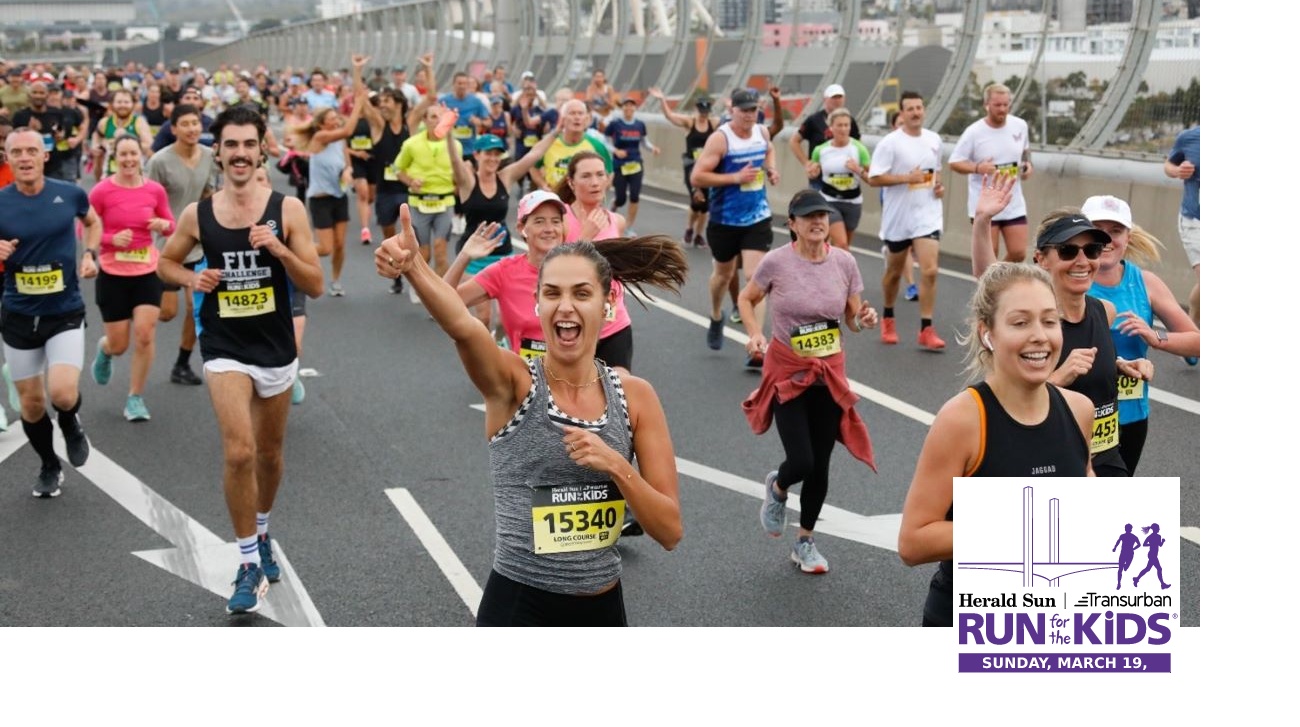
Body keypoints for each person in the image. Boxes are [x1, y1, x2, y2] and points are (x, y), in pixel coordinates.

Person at [375, 204, 686, 626]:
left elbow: (669, 531)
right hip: (520, 608)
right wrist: (415, 267)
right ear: (537, 304)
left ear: (607, 303)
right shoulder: (514, 383)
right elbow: (463, 326)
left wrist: (616, 464)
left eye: (581, 293)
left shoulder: (636, 397)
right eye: (552, 293)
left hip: (603, 609)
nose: (565, 307)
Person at [156, 105, 325, 615]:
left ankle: (264, 528)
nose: (240, 154)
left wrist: (279, 250)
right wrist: (192, 279)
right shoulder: (199, 214)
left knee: (270, 455)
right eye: (230, 145)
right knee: (238, 452)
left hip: (275, 348)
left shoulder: (287, 210)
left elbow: (313, 284)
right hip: (225, 347)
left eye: (248, 145)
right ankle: (248, 560)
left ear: (261, 150)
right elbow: (165, 262)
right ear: (219, 152)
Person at [898, 262, 1095, 627]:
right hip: (969, 622)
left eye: (1050, 321)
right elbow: (914, 541)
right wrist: (1022, 529)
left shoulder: (1079, 409)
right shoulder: (963, 420)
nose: (1039, 336)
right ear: (987, 333)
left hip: (1053, 622)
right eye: (1020, 323)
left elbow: (1083, 500)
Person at [739, 190, 879, 573]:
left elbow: (852, 316)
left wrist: (863, 320)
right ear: (793, 224)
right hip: (788, 371)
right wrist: (754, 333)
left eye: (823, 215)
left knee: (821, 466)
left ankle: (804, 541)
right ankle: (778, 487)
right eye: (809, 216)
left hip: (828, 372)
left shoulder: (845, 263)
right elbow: (746, 298)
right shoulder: (776, 263)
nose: (818, 222)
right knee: (801, 459)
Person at [0, 128, 103, 497]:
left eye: (32, 150)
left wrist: (90, 254)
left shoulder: (70, 193)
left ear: (45, 155)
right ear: (7, 158)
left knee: (61, 393)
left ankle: (71, 422)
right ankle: (48, 464)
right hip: (18, 314)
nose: (25, 158)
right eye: (17, 152)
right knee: (30, 403)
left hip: (64, 311)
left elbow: (92, 222)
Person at [1032, 209, 1154, 477]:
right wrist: (1058, 378)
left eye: (1092, 250)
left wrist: (1118, 365)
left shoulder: (1105, 311)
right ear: (1041, 259)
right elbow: (1005, 401)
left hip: (1107, 458)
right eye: (1067, 251)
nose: (1082, 261)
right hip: (1052, 463)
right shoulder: (1032, 324)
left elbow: (1092, 360)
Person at [1083, 195, 1200, 475]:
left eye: (1115, 231)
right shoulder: (1069, 277)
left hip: (1130, 416)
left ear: (1128, 236)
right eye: (1098, 231)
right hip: (1079, 414)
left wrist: (1154, 336)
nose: (1107, 239)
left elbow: (1198, 342)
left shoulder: (1145, 283)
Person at [690, 88, 779, 368]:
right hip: (724, 220)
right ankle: (717, 315)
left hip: (757, 217)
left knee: (756, 277)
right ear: (733, 110)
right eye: (744, 111)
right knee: (723, 276)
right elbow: (698, 176)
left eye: (753, 110)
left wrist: (771, 168)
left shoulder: (761, 133)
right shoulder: (721, 139)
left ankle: (757, 342)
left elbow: (770, 149)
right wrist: (735, 177)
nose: (749, 116)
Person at [87, 135, 174, 421]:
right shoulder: (101, 191)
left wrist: (164, 225)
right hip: (112, 274)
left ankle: (135, 397)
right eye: (122, 154)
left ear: (141, 156)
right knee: (120, 344)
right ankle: (105, 350)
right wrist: (111, 239)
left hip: (147, 271)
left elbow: (171, 224)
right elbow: (85, 230)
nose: (128, 159)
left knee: (145, 334)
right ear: (114, 157)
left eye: (133, 154)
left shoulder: (155, 190)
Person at [445, 129, 557, 327]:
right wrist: (447, 134)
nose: (493, 158)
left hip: (502, 255)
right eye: (488, 153)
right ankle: (484, 354)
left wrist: (557, 130)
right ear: (477, 155)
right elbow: (455, 162)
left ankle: (502, 349)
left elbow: (534, 155)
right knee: (484, 316)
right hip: (474, 257)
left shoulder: (505, 177)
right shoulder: (469, 181)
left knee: (505, 317)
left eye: (497, 154)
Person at [867, 91, 947, 351]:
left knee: (930, 270)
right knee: (893, 273)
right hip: (898, 218)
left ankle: (926, 328)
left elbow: (936, 174)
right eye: (910, 109)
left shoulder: (934, 140)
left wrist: (938, 188)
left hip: (927, 214)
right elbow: (874, 178)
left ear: (924, 110)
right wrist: (905, 178)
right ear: (902, 114)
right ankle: (888, 317)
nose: (916, 112)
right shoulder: (890, 143)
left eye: (919, 107)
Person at [145, 103, 218, 387]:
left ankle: (182, 364)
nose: (192, 128)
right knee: (166, 313)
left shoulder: (211, 156)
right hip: (166, 246)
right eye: (185, 124)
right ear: (173, 129)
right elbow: (145, 199)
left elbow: (214, 189)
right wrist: (156, 222)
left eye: (196, 123)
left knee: (194, 307)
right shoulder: (160, 161)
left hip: (197, 243)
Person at [293, 55, 369, 296]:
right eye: (332, 120)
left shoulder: (339, 139)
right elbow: (348, 128)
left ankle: (335, 282)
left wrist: (348, 171)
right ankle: (292, 254)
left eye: (337, 118)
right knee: (324, 248)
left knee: (339, 245)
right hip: (320, 198)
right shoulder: (320, 138)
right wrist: (359, 103)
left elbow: (345, 158)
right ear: (322, 124)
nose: (337, 122)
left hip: (339, 195)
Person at [949, 83, 1033, 262]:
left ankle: (996, 281)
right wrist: (977, 168)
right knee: (989, 255)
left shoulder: (1020, 125)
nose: (1002, 109)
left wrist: (1027, 165)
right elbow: (954, 162)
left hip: (1012, 201)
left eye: (1006, 104)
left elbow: (1025, 151)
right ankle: (989, 286)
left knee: (1019, 253)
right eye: (997, 105)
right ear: (986, 105)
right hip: (984, 203)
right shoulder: (974, 132)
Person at [394, 97, 472, 277]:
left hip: (444, 201)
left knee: (440, 250)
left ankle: (440, 291)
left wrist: (458, 185)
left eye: (441, 117)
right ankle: (419, 283)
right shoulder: (411, 144)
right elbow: (398, 169)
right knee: (424, 252)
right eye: (433, 117)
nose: (437, 121)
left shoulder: (455, 145)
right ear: (424, 120)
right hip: (419, 202)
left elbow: (459, 171)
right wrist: (411, 181)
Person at [648, 87, 717, 248]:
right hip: (691, 166)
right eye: (701, 110)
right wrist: (662, 100)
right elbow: (670, 116)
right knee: (696, 201)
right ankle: (689, 229)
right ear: (696, 109)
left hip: (708, 167)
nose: (703, 114)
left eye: (706, 110)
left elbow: (730, 123)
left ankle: (699, 235)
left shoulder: (714, 123)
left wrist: (731, 107)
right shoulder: (689, 122)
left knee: (705, 205)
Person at [807, 107, 871, 250]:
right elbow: (812, 172)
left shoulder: (859, 149)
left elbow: (872, 179)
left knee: (844, 248)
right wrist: (812, 172)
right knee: (842, 244)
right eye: (839, 125)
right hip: (829, 201)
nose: (843, 129)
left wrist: (858, 169)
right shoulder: (821, 150)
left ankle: (832, 270)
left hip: (853, 202)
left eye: (846, 125)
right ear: (831, 128)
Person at [1164, 125, 1199, 345]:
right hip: (1195, 220)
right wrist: (1177, 171)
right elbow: (1168, 164)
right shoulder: (1190, 137)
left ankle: (1193, 319)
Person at [789, 83, 861, 189]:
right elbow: (794, 141)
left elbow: (857, 144)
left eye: (839, 97)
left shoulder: (849, 121)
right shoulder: (814, 120)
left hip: (843, 177)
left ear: (844, 99)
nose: (837, 100)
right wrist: (806, 163)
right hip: (819, 178)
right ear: (825, 99)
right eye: (833, 97)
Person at [604, 97, 659, 233]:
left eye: (631, 106)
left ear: (635, 108)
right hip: (620, 164)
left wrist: (653, 148)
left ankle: (628, 226)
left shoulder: (640, 125)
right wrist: (615, 150)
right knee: (621, 198)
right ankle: (614, 206)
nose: (629, 108)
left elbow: (644, 142)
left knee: (634, 196)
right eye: (626, 106)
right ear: (622, 108)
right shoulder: (615, 124)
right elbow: (605, 141)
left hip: (635, 164)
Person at [538, 99, 613, 192]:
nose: (577, 117)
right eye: (572, 113)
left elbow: (609, 172)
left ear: (586, 119)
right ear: (563, 119)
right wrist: (542, 184)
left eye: (580, 113)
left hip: (584, 202)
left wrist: (599, 192)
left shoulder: (596, 145)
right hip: (555, 199)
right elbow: (532, 166)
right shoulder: (549, 143)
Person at [93, 89, 154, 180]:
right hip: (110, 175)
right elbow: (97, 135)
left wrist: (125, 143)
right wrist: (96, 145)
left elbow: (150, 147)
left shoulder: (139, 122)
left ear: (133, 104)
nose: (122, 105)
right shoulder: (105, 122)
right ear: (112, 104)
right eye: (119, 102)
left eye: (126, 102)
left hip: (134, 176)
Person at [1133, 523, 1171, 590]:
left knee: (1147, 569)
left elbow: (1160, 545)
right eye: (1158, 528)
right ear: (1155, 529)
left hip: (1154, 554)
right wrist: (1151, 544)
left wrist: (1162, 541)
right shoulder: (1151, 536)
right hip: (1152, 554)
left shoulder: (1158, 536)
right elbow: (1144, 544)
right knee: (1159, 569)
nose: (1159, 529)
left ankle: (1136, 579)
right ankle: (1162, 584)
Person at [1112, 524, 1140, 590]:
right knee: (1120, 569)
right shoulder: (1123, 536)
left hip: (1129, 554)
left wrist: (1133, 549)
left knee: (1125, 568)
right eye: (1126, 528)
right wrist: (1115, 548)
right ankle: (1119, 583)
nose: (1127, 529)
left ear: (1130, 529)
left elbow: (1139, 544)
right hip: (1123, 553)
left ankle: (1125, 567)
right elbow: (1118, 542)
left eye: (1128, 528)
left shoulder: (1134, 537)